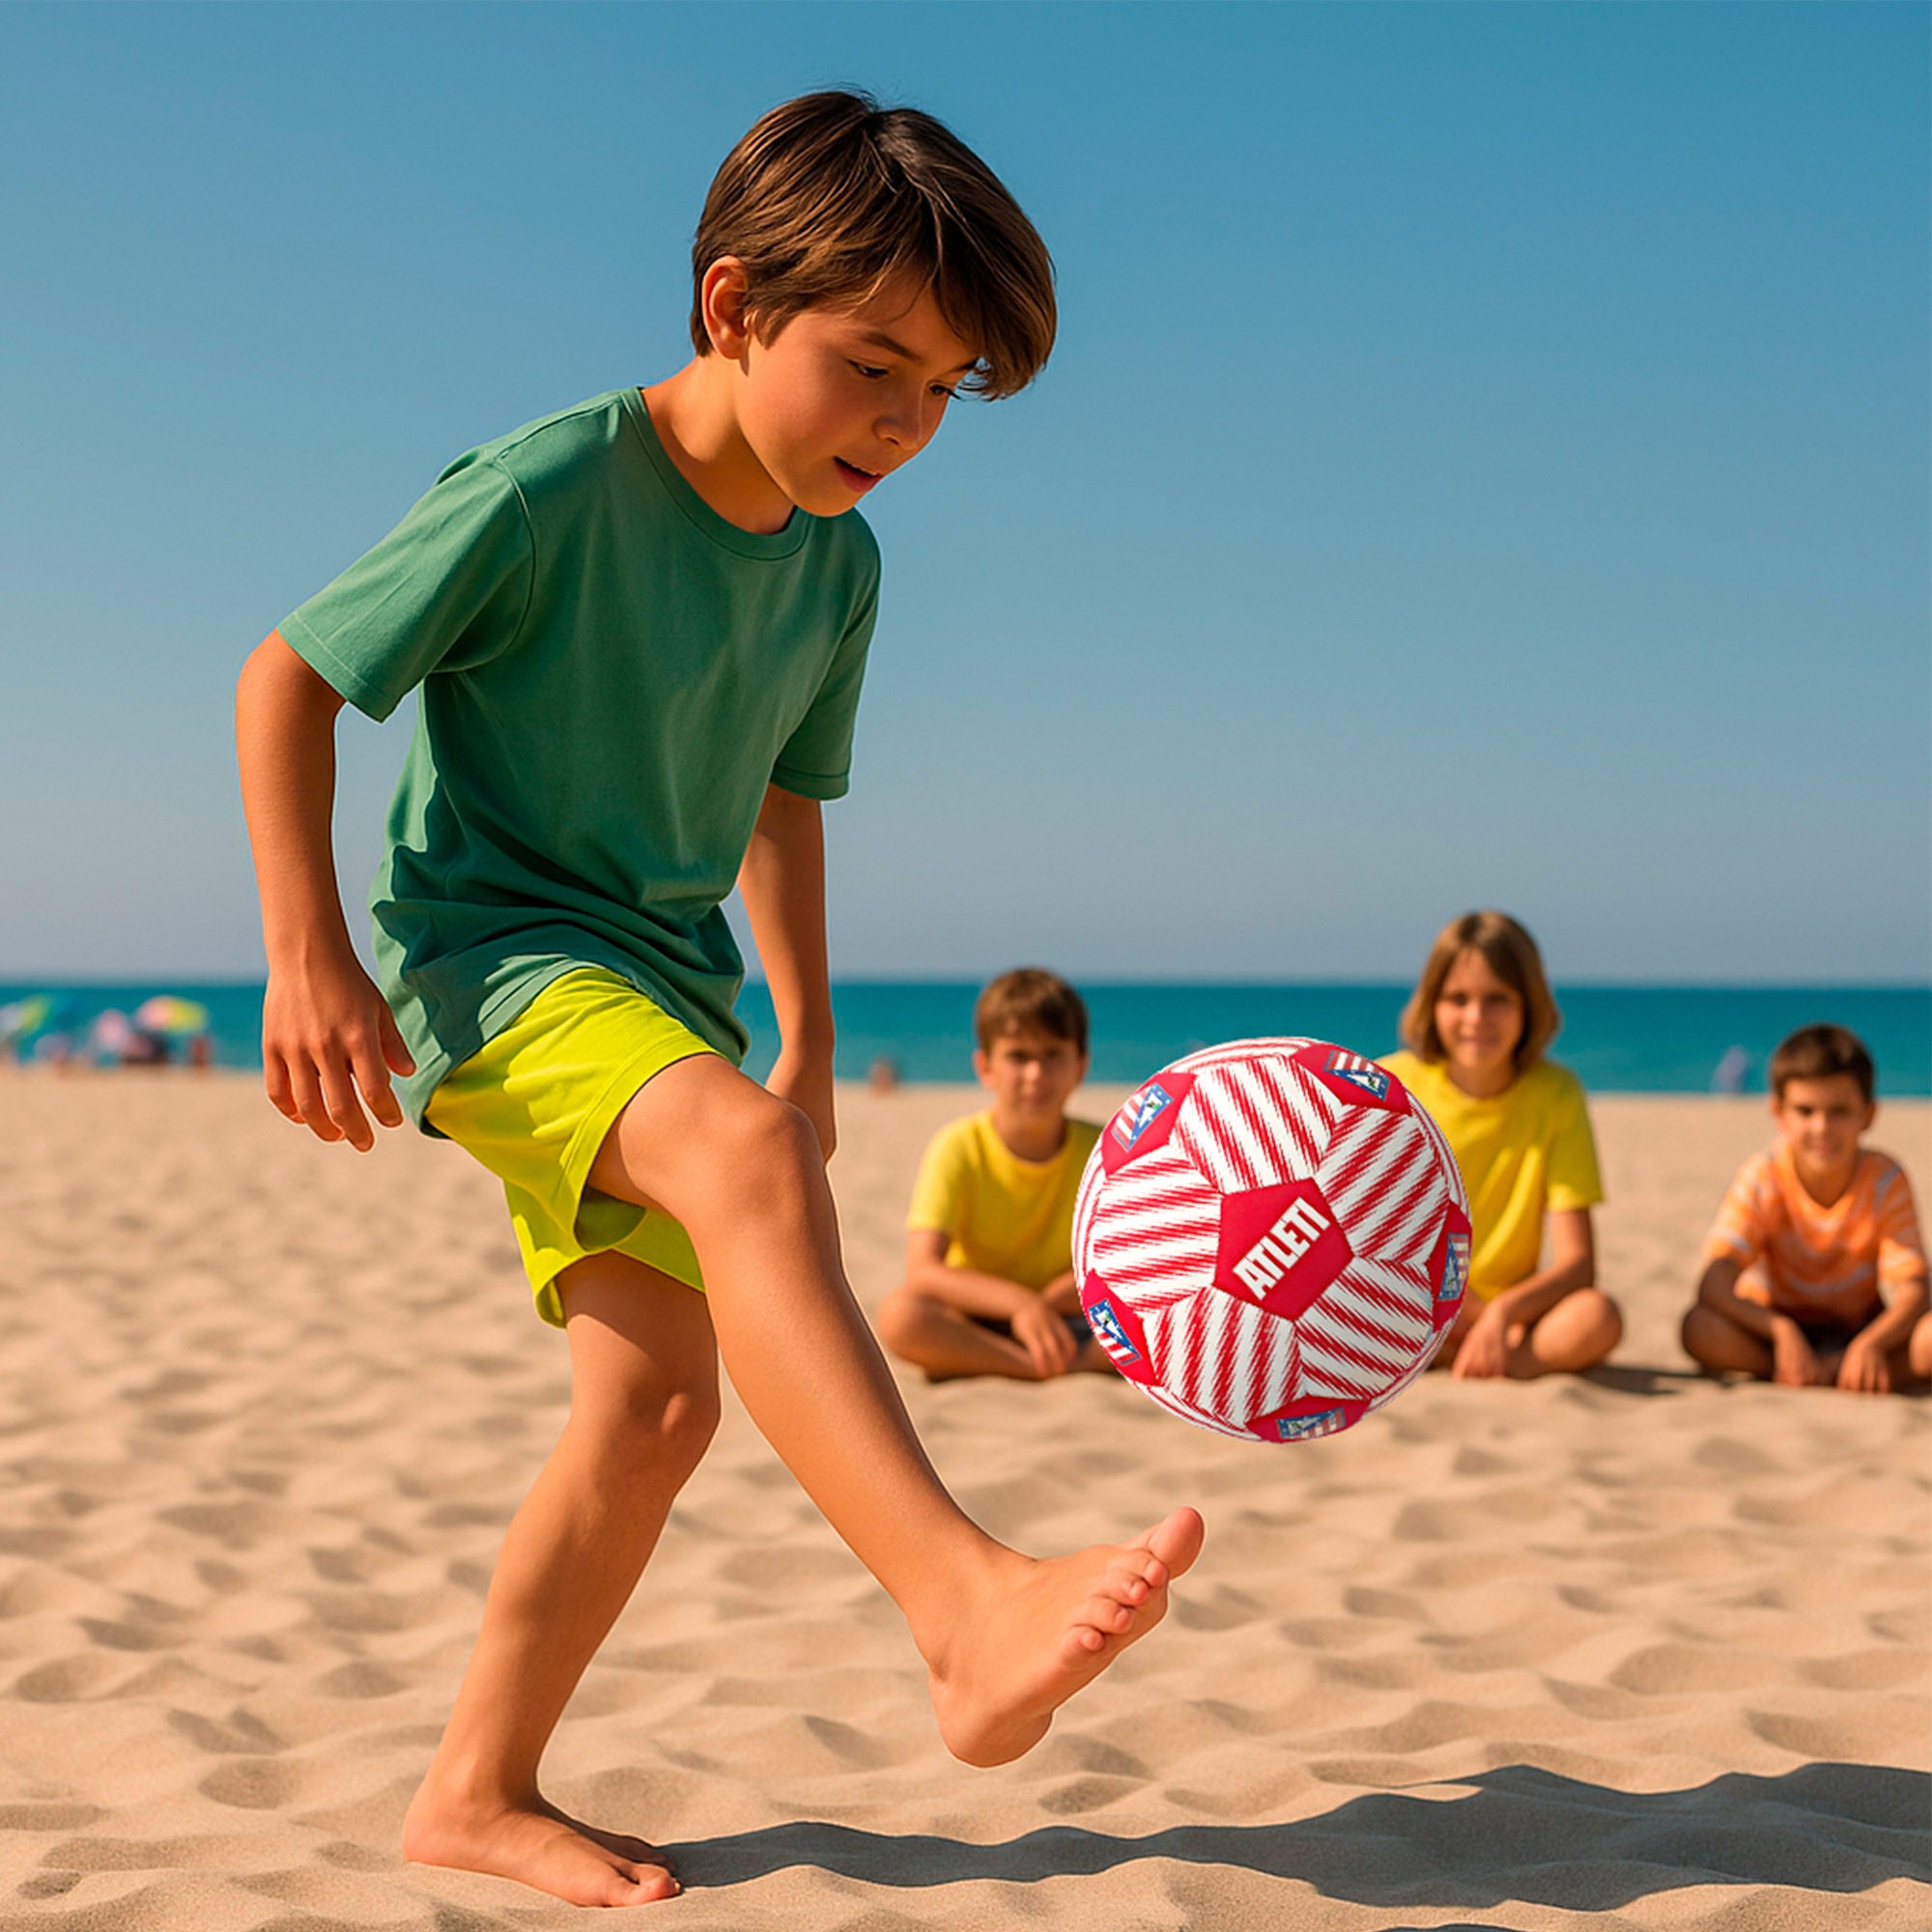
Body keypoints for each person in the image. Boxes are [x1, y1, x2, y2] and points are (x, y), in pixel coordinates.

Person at [234, 92, 1200, 1909]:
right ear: (734, 302)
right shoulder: (547, 488)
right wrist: (308, 954)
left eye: (944, 395)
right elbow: (288, 676)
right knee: (749, 1162)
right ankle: (962, 1608)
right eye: (875, 367)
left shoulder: (840, 564)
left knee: (657, 1410)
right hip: (495, 955)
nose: (905, 426)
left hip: (665, 987)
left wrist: (816, 1037)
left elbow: (781, 800)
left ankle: (471, 1789)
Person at [1381, 911, 1623, 1378]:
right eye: (1458, 998)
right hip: (1407, 1302)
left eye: (1497, 999)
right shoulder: (1389, 1086)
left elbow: (1577, 1265)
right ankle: (1468, 1355)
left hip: (1504, 1316)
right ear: (1432, 1003)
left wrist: (1501, 1314)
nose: (1476, 1017)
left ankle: (1471, 1355)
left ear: (1528, 1005)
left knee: (1598, 1317)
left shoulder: (1556, 1094)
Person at [877, 970, 1110, 1381]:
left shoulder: (1105, 1151)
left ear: (1081, 1065)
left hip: (1074, 1316)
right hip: (979, 1317)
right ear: (985, 1067)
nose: (1036, 1073)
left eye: (1053, 1054)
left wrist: (1065, 1295)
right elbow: (923, 1270)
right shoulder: (959, 1146)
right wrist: (1020, 1305)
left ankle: (1063, 1360)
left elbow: (1134, 1258)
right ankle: (1030, 1367)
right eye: (1019, 1056)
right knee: (900, 1316)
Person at [1682, 1024, 1931, 1392]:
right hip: (1774, 1330)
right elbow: (1714, 1284)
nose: (1822, 1127)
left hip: (1861, 1331)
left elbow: (1914, 1289)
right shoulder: (1763, 1176)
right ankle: (1802, 1368)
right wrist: (1781, 1333)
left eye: (1839, 1111)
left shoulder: (1884, 1179)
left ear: (1869, 1114)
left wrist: (1871, 1343)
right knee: (1698, 1328)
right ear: (1778, 1112)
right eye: (1805, 1110)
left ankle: (1840, 1369)